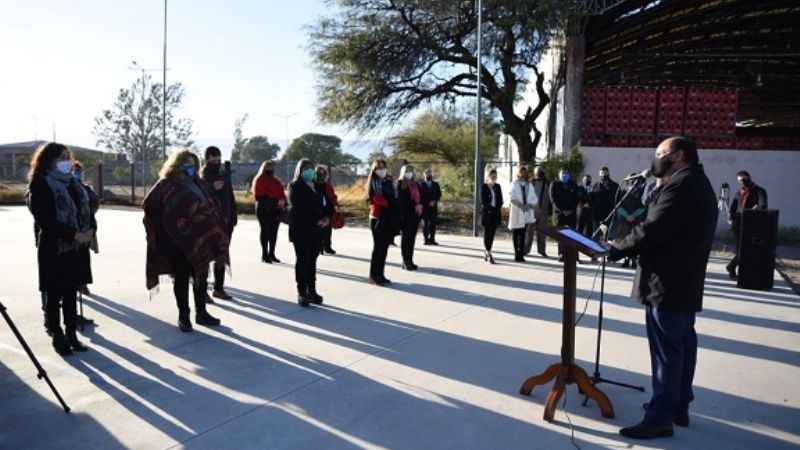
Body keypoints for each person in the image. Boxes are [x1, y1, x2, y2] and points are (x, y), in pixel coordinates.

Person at [607, 137, 717, 440]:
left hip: (667, 282)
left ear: (679, 155)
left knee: (667, 353)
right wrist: (656, 188)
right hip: (682, 280)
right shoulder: (693, 181)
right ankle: (678, 405)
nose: (654, 159)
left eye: (660, 154)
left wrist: (615, 249)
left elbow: (654, 229)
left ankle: (659, 418)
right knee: (682, 346)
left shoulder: (681, 186)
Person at [143, 150, 227, 332]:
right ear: (177, 165)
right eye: (187, 165)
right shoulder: (166, 184)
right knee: (181, 278)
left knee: (201, 275)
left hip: (201, 239)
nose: (191, 168)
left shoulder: (200, 183)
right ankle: (184, 315)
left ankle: (201, 312)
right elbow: (150, 206)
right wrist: (171, 226)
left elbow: (210, 205)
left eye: (194, 165)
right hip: (177, 242)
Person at [27, 142, 94, 355]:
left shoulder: (73, 183)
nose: (67, 162)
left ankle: (72, 332)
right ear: (49, 161)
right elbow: (45, 220)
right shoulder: (40, 184)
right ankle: (57, 335)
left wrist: (90, 231)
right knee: (55, 293)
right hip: (55, 248)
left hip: (77, 248)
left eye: (68, 157)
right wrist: (75, 235)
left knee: (71, 292)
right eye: (61, 158)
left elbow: (88, 210)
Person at [288, 158, 329, 307]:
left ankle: (312, 290)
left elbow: (325, 204)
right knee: (303, 260)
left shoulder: (318, 186)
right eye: (305, 168)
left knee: (312, 260)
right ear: (299, 170)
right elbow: (299, 208)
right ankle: (302, 291)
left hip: (316, 230)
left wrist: (326, 218)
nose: (309, 171)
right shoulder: (294, 186)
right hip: (301, 230)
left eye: (311, 168)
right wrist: (315, 220)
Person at [200, 146, 237, 301]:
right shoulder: (202, 176)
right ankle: (202, 290)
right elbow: (199, 197)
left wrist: (233, 217)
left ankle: (218, 288)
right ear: (207, 159)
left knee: (221, 254)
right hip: (209, 222)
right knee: (205, 257)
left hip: (225, 221)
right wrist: (211, 187)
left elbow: (230, 197)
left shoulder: (222, 174)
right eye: (213, 160)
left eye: (219, 160)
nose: (217, 163)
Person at [726, 170, 768, 280]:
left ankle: (732, 267)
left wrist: (750, 211)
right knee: (741, 249)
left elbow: (762, 206)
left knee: (746, 249)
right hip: (738, 223)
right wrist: (732, 218)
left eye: (744, 180)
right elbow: (733, 207)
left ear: (749, 178)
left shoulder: (760, 191)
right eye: (740, 181)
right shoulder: (739, 192)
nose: (742, 183)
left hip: (751, 224)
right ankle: (731, 267)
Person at [366, 159, 398, 285]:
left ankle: (381, 274)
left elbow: (394, 196)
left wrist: (392, 203)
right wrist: (389, 203)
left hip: (388, 217)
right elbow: (374, 198)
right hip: (377, 217)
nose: (381, 169)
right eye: (379, 167)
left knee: (384, 247)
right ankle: (374, 275)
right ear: (374, 169)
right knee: (378, 247)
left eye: (383, 167)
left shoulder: (388, 181)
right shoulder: (373, 182)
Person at [252, 160, 287, 263]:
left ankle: (272, 253)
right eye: (268, 168)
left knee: (274, 232)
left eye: (272, 168)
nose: (270, 170)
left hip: (276, 209)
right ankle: (264, 254)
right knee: (265, 230)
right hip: (264, 208)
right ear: (264, 168)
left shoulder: (276, 180)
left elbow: (281, 194)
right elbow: (258, 196)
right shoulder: (259, 180)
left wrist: (283, 201)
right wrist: (276, 200)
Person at [612, 174, 647, 268]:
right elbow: (618, 206)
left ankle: (634, 260)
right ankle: (626, 260)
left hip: (637, 220)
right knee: (624, 240)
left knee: (635, 240)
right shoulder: (623, 192)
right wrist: (626, 215)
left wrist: (634, 215)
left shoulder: (642, 192)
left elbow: (643, 206)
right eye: (631, 179)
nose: (633, 181)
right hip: (624, 221)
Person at [508, 166, 538, 262]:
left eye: (525, 173)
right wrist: (521, 205)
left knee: (523, 234)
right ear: (519, 173)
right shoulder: (514, 184)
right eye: (522, 173)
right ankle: (516, 254)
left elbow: (534, 197)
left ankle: (521, 254)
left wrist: (529, 205)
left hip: (526, 211)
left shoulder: (529, 185)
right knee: (516, 234)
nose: (523, 175)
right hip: (517, 211)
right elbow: (511, 196)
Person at [397, 164, 423, 270]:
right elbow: (401, 200)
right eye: (407, 170)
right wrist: (415, 205)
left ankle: (410, 260)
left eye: (411, 170)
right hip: (405, 215)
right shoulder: (400, 184)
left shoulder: (416, 184)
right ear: (403, 172)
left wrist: (420, 205)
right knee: (406, 238)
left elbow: (422, 197)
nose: (409, 172)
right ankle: (405, 261)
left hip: (415, 215)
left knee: (412, 238)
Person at [549, 168, 579, 262]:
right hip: (559, 214)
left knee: (571, 235)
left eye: (566, 173)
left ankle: (572, 255)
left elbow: (576, 198)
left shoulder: (573, 184)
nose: (565, 175)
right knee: (560, 235)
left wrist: (570, 210)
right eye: (563, 173)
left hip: (571, 214)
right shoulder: (554, 184)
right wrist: (562, 210)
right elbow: (553, 199)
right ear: (559, 174)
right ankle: (561, 253)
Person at [528, 166, 551, 257]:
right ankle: (526, 249)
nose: (540, 173)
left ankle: (541, 250)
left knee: (542, 233)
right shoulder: (531, 183)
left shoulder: (548, 183)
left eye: (541, 171)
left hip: (543, 212)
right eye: (538, 171)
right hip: (531, 212)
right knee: (529, 232)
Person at [481, 169, 503, 264]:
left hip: (495, 213)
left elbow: (500, 200)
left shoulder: (497, 187)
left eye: (495, 176)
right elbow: (483, 201)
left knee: (492, 233)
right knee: (487, 232)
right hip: (487, 213)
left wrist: (496, 208)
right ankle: (488, 251)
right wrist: (490, 208)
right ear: (488, 176)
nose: (494, 178)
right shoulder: (484, 187)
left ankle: (488, 250)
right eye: (492, 176)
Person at [316, 165, 339, 255]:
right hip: (318, 209)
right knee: (319, 228)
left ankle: (327, 247)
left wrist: (335, 203)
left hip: (328, 208)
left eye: (323, 173)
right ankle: (319, 247)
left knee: (328, 229)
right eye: (319, 174)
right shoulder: (313, 184)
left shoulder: (328, 186)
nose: (321, 175)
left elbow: (333, 196)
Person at [592, 167, 621, 236]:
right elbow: (592, 199)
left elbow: (618, 200)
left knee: (610, 237)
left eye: (605, 172)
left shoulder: (615, 186)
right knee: (596, 236)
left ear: (608, 173)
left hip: (610, 214)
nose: (604, 174)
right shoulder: (595, 186)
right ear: (599, 174)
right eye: (602, 173)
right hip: (597, 215)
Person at [420, 169, 441, 246]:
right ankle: (426, 239)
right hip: (425, 208)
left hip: (433, 207)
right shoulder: (421, 185)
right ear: (424, 175)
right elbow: (419, 196)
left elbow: (439, 194)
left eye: (429, 174)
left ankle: (432, 239)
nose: (428, 175)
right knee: (425, 224)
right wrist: (426, 203)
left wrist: (435, 201)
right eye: (427, 174)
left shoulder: (436, 184)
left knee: (433, 224)